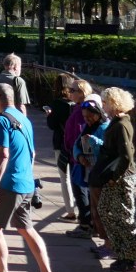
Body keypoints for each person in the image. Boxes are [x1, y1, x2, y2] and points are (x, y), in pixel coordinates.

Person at [0, 82, 57, 272]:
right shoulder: (24, 118)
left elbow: (3, 154)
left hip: (10, 184)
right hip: (26, 183)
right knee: (26, 228)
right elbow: (32, 153)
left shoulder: (1, 120)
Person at [88, 86, 136, 272]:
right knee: (106, 210)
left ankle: (131, 260)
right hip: (116, 177)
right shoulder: (117, 122)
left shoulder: (121, 124)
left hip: (121, 178)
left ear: (114, 104)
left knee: (124, 218)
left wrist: (114, 178)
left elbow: (127, 156)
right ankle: (122, 254)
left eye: (105, 102)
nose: (103, 106)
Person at [70, 96, 107, 239]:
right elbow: (76, 144)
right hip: (87, 168)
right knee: (90, 200)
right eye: (85, 117)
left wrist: (93, 141)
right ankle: (92, 226)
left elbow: (107, 149)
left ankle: (96, 229)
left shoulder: (104, 128)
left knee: (97, 203)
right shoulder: (88, 127)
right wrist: (79, 156)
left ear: (98, 113)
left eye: (90, 116)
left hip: (98, 170)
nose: (87, 119)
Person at [46, 74, 79, 221]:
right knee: (77, 177)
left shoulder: (57, 103)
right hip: (78, 145)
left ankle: (70, 211)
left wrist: (49, 115)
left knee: (64, 177)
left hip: (61, 143)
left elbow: (52, 125)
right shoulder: (78, 104)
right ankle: (85, 211)